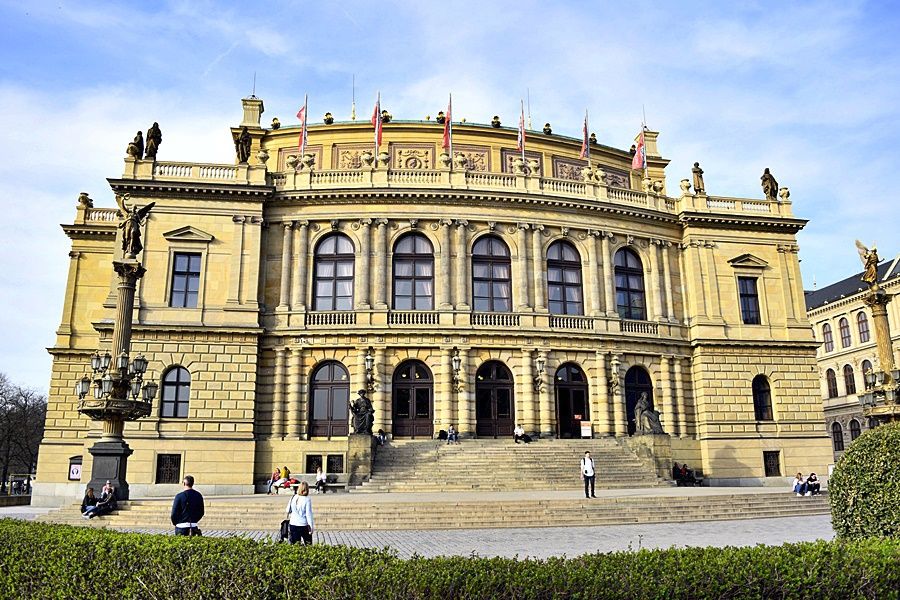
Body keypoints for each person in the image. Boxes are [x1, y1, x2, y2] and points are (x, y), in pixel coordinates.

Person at [286, 481, 315, 545]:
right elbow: (308, 514)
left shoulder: (293, 497)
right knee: (308, 544)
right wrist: (311, 527)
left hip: (293, 523)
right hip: (303, 524)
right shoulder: (307, 499)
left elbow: (287, 510)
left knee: (295, 545)